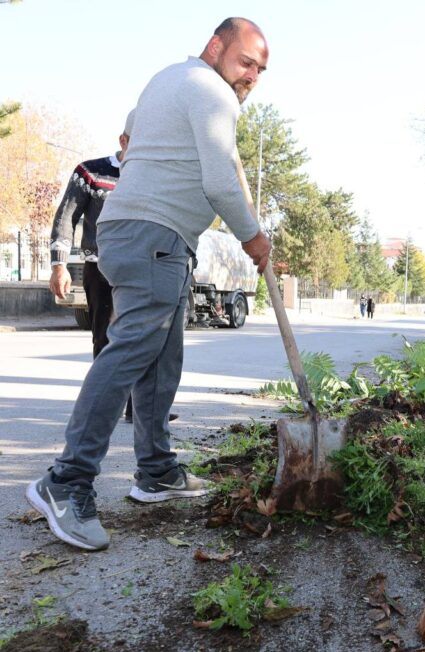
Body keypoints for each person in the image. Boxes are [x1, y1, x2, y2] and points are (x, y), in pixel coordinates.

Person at [27, 17, 272, 552]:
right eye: (245, 61)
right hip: (151, 232)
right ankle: (66, 482)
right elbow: (217, 182)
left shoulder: (171, 79)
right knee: (132, 349)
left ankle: (156, 470)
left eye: (260, 69)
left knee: (163, 354)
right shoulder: (214, 94)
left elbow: (153, 136)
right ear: (216, 47)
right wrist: (254, 240)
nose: (251, 74)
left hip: (143, 234)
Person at [48, 112, 177, 426]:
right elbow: (66, 218)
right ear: (123, 141)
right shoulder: (91, 173)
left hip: (144, 270)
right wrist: (58, 265)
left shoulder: (155, 178)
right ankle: (103, 407)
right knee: (106, 339)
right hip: (101, 268)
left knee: (147, 339)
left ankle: (142, 410)